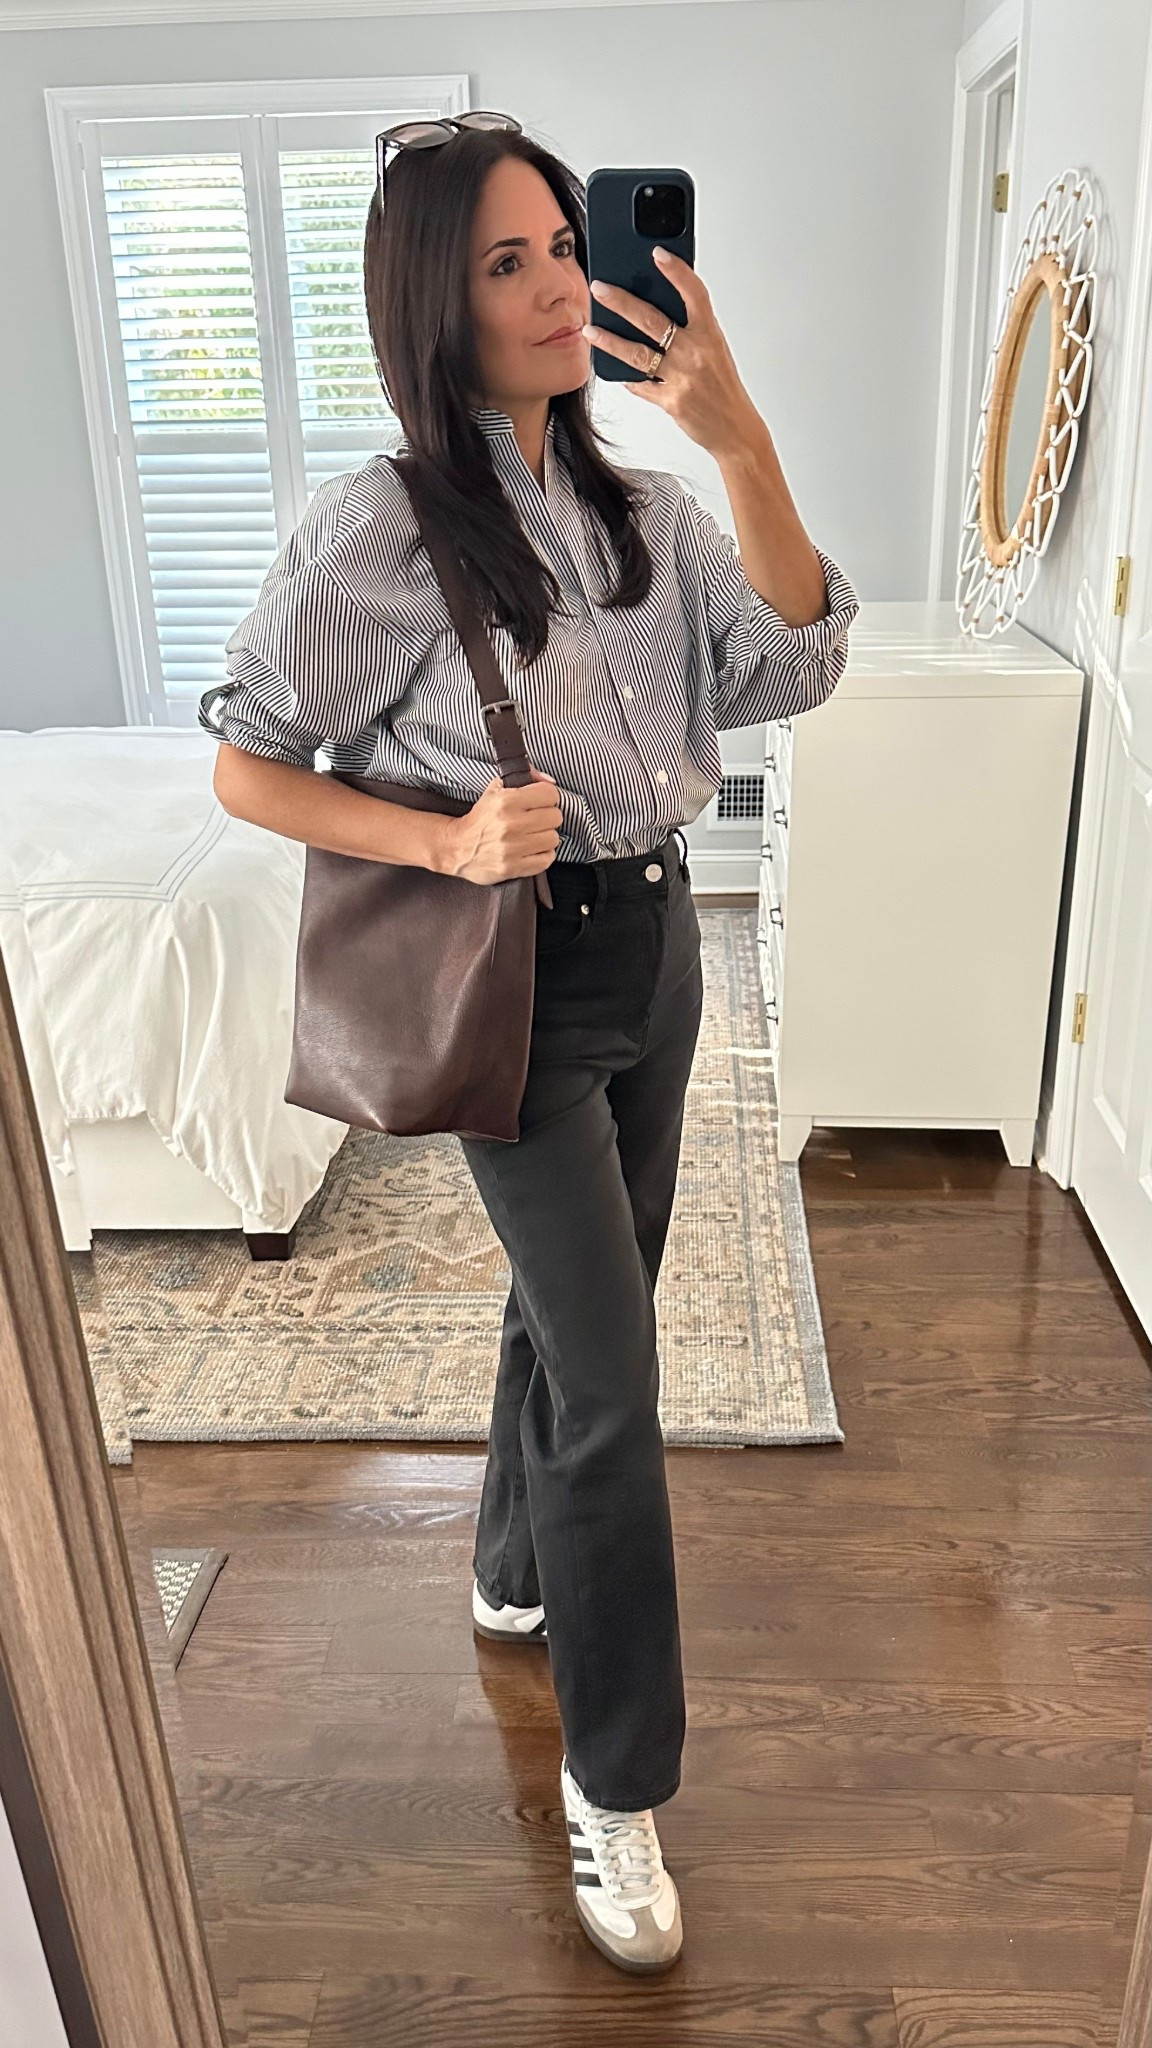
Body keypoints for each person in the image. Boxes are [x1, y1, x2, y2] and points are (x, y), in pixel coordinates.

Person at [200, 113, 859, 1975]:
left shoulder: (652, 505)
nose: (564, 280)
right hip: (514, 970)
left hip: (655, 953)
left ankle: (505, 1563)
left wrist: (739, 440)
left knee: (588, 1311)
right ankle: (619, 1784)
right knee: (614, 1375)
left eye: (567, 242)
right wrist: (438, 838)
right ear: (436, 301)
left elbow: (800, 663)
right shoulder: (377, 530)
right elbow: (247, 758)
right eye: (509, 260)